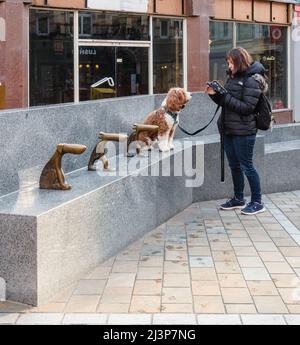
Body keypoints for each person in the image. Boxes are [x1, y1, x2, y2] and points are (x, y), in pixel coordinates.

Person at [206, 47, 268, 215]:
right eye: (228, 62)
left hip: (244, 131)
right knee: (234, 166)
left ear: (239, 61)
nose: (229, 65)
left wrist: (224, 96)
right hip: (229, 129)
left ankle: (257, 202)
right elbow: (227, 102)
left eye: (231, 62)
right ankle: (238, 199)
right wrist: (214, 94)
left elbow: (247, 108)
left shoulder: (253, 80)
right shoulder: (233, 77)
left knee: (247, 166)